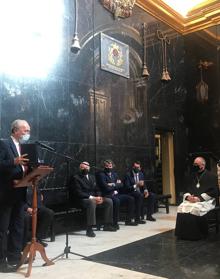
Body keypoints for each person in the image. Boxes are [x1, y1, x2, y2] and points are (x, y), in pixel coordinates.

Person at [0, 119, 30, 273]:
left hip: (20, 192)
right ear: (15, 130)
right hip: (6, 194)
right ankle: (1, 262)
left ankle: (14, 257)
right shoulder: (4, 144)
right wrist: (14, 161)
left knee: (17, 227)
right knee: (3, 229)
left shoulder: (24, 147)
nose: (27, 134)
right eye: (25, 130)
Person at [175, 157, 219, 240]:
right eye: (194, 164)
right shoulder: (191, 176)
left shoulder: (212, 176)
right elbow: (186, 189)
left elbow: (214, 191)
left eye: (196, 164)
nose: (194, 166)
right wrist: (188, 197)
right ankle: (183, 234)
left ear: (202, 165)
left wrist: (199, 198)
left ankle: (197, 234)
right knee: (181, 207)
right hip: (192, 199)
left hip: (206, 200)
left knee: (195, 208)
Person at [69, 161, 116, 237]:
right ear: (79, 168)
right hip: (82, 199)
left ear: (89, 168)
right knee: (92, 202)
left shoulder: (92, 177)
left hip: (94, 197)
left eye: (86, 167)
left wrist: (99, 197)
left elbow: (97, 189)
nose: (84, 169)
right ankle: (89, 229)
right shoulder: (75, 177)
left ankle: (107, 224)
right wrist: (93, 198)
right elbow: (78, 193)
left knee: (109, 201)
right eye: (82, 167)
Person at [96, 160, 137, 229]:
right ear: (104, 166)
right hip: (106, 195)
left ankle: (128, 220)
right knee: (116, 201)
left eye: (110, 166)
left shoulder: (114, 174)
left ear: (112, 166)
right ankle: (115, 223)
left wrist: (112, 184)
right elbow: (106, 188)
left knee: (130, 198)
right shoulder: (101, 174)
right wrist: (115, 185)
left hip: (116, 194)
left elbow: (121, 184)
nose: (109, 167)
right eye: (107, 166)